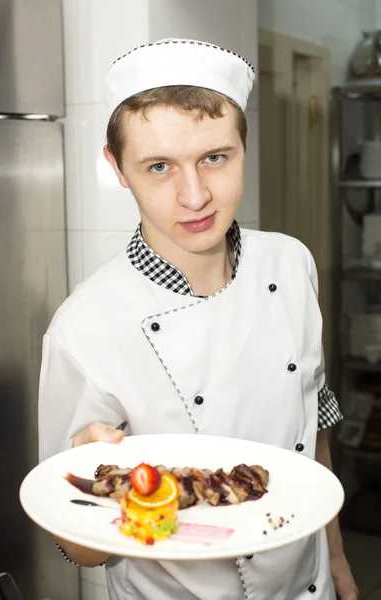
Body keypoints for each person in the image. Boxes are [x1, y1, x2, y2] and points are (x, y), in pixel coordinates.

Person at [38, 38, 358, 600]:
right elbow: (78, 548)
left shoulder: (291, 261)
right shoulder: (83, 329)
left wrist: (335, 558)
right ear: (116, 167)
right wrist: (88, 486)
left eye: (215, 157)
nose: (195, 196)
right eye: (159, 166)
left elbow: (313, 430)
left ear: (244, 144)